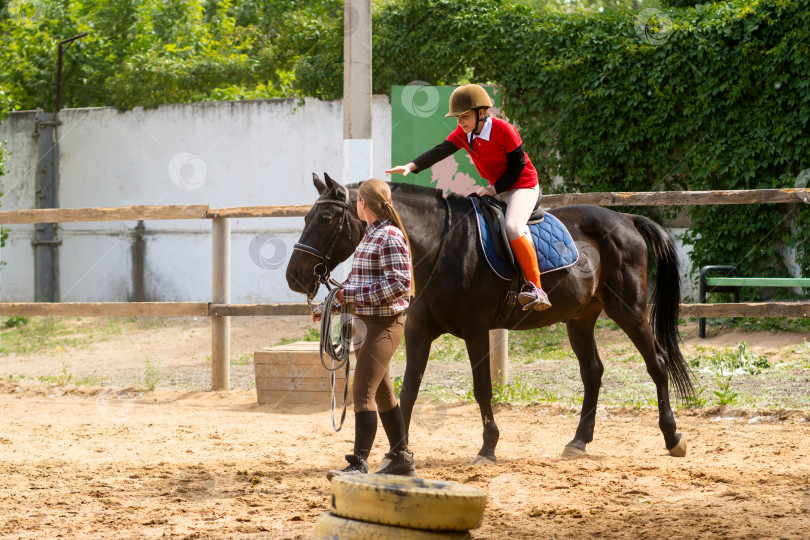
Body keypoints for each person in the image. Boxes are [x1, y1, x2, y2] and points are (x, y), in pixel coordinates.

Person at [386, 83, 551, 311]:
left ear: (481, 113)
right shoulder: (465, 135)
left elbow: (518, 165)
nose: (460, 122)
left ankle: (537, 288)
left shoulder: (505, 130)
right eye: (457, 117)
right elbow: (441, 149)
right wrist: (411, 166)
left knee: (513, 226)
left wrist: (494, 189)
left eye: (464, 116)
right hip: (497, 188)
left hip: (522, 186)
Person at [312, 178, 416, 480]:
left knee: (363, 391)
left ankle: (358, 463)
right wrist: (329, 304)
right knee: (382, 394)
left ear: (362, 204)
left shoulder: (391, 237)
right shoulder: (370, 236)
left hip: (384, 324)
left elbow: (399, 286)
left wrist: (351, 296)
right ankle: (401, 456)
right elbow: (356, 284)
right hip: (365, 322)